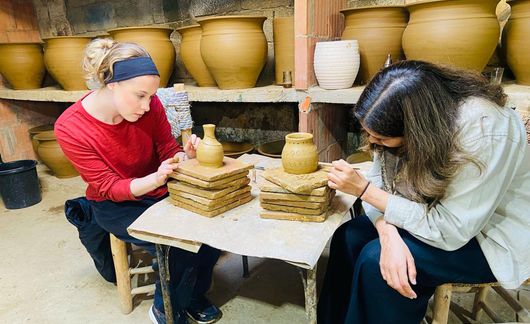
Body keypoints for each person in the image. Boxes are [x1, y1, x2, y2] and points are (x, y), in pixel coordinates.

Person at [318, 60, 530, 324]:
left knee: (376, 265)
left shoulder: (486, 132)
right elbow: (379, 180)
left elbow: (451, 229)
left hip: (487, 235)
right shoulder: (420, 109)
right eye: (369, 135)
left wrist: (364, 191)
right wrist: (388, 234)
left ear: (416, 131)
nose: (374, 143)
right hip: (434, 211)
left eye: (382, 139)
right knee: (348, 237)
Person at [55, 38, 222, 324]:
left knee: (211, 227)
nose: (147, 105)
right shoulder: (71, 127)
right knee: (177, 244)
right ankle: (164, 310)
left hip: (157, 188)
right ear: (112, 84)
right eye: (140, 96)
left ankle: (192, 295)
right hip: (113, 204)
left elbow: (167, 150)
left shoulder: (150, 103)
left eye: (151, 96)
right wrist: (154, 178)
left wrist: (184, 156)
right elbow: (108, 187)